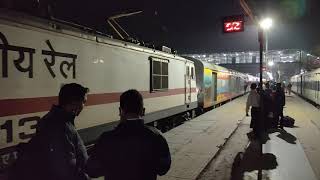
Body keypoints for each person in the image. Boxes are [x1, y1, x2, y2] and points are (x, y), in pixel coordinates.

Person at [9, 83, 90, 180]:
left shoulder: (54, 119)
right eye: (83, 102)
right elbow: (66, 167)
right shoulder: (60, 126)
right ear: (74, 102)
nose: (84, 106)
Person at [85, 89, 171, 180]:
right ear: (143, 111)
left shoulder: (106, 138)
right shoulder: (156, 136)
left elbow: (92, 170)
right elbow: (163, 168)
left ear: (120, 111)